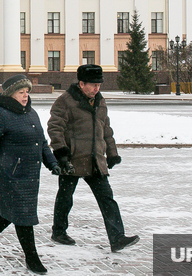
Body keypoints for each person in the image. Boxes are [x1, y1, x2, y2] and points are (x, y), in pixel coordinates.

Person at [0, 74, 60, 275]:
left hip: (31, 174)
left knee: (11, 211)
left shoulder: (31, 113)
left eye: (27, 92)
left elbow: (41, 142)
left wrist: (52, 163)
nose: (25, 96)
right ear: (10, 94)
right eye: (20, 92)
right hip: (10, 174)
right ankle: (32, 258)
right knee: (23, 215)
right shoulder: (1, 114)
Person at [46, 64, 139, 253]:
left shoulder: (100, 101)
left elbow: (106, 130)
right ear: (81, 84)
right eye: (93, 85)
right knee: (65, 198)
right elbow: (55, 128)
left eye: (99, 85)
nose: (97, 88)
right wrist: (61, 154)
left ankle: (117, 238)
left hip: (95, 160)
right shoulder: (65, 101)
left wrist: (112, 153)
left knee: (107, 199)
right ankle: (59, 231)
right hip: (72, 159)